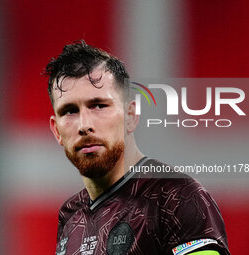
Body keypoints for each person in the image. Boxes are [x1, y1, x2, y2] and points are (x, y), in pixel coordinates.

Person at [45, 40, 230, 255]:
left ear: (131, 116)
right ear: (57, 131)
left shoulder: (177, 197)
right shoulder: (70, 214)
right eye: (69, 111)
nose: (85, 125)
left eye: (98, 105)